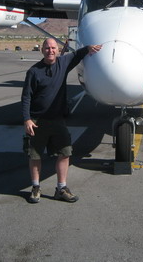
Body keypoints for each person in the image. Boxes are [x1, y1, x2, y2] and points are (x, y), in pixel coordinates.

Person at [21, 38, 102, 203]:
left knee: (65, 153)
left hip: (58, 119)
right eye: (47, 48)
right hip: (38, 121)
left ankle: (61, 188)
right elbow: (26, 97)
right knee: (35, 155)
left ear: (58, 50)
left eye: (53, 48)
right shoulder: (34, 71)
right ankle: (36, 187)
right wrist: (27, 119)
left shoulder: (63, 63)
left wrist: (88, 47)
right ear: (42, 50)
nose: (50, 50)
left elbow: (77, 54)